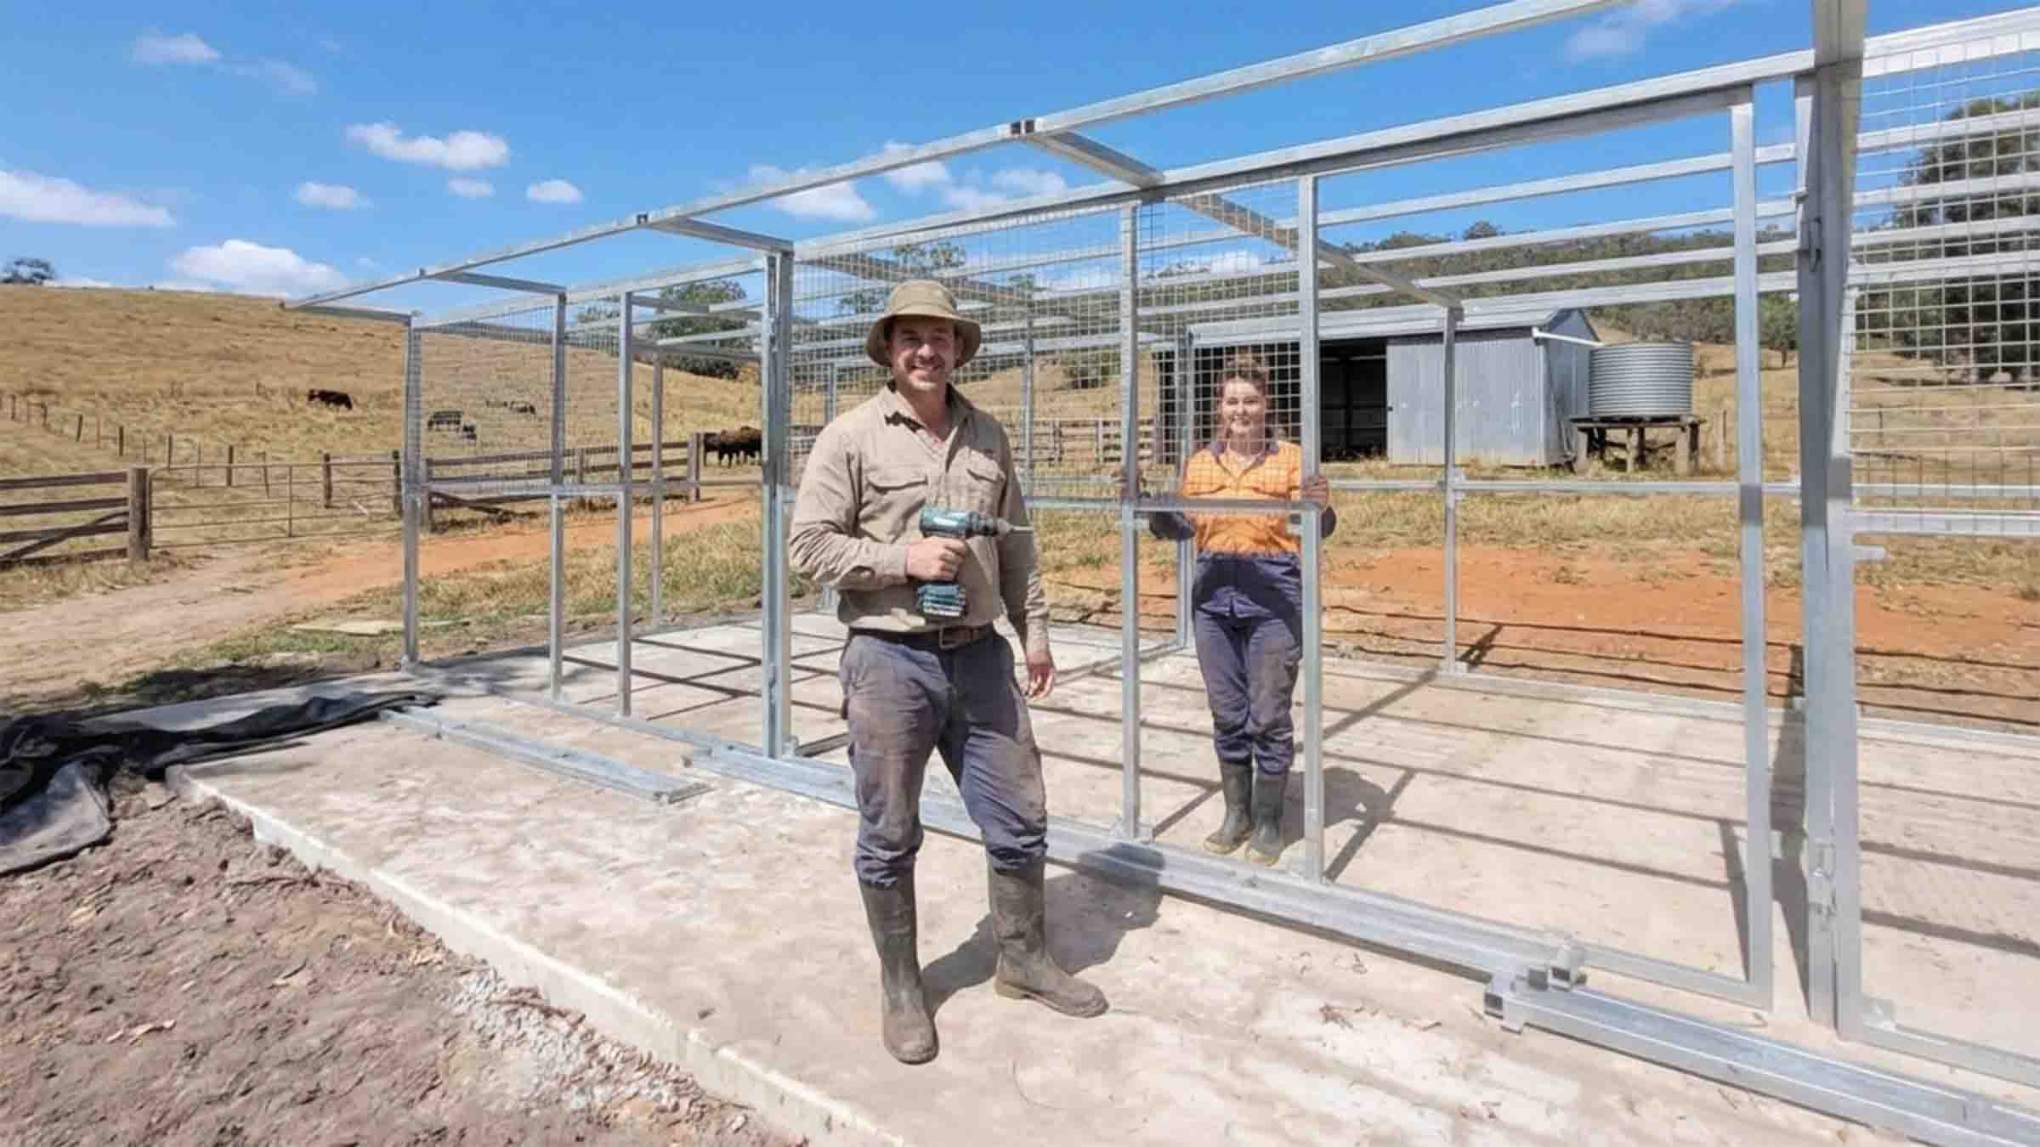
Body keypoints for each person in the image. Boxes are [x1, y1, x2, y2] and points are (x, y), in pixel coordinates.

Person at [789, 279, 1107, 1066]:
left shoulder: (989, 434)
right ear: (889, 351)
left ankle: (1022, 958)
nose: (926, 350)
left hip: (981, 656)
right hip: (888, 659)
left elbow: (1019, 544)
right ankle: (902, 987)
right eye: (911, 338)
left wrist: (1034, 634)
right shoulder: (851, 437)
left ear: (959, 348)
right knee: (889, 832)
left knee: (1020, 815)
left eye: (940, 337)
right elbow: (808, 545)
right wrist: (904, 559)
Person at [1139, 352, 1334, 867]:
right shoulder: (1200, 463)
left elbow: (1319, 528)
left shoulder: (1293, 459)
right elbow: (1183, 527)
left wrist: (1321, 506)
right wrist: (1152, 508)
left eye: (1250, 400)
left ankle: (1269, 821)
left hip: (1274, 595)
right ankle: (1237, 813)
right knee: (1227, 711)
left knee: (1268, 713)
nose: (1240, 410)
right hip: (1213, 596)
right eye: (1231, 402)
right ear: (1219, 407)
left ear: (1266, 405)